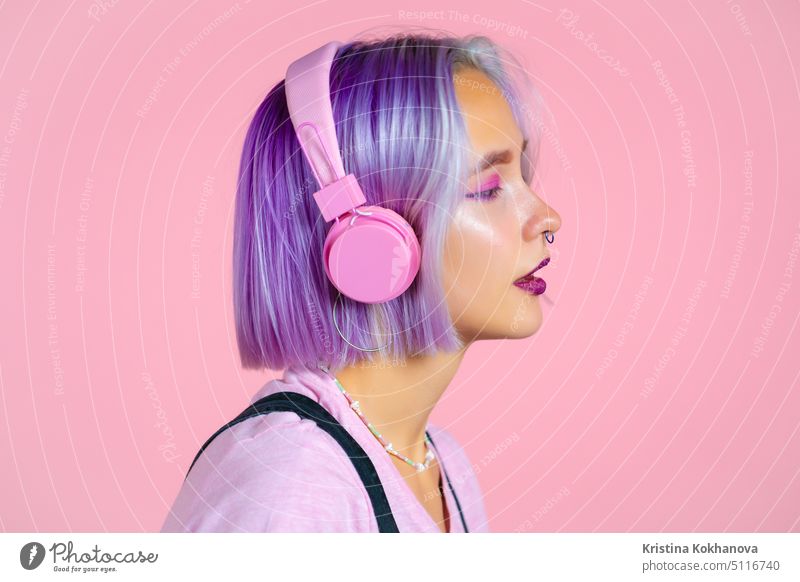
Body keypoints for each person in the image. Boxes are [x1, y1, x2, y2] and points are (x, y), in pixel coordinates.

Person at [161, 30, 562, 533]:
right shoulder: (294, 482)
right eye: (487, 188)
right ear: (372, 240)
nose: (548, 218)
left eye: (522, 174)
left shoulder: (443, 465)